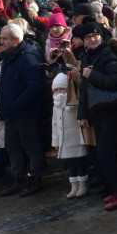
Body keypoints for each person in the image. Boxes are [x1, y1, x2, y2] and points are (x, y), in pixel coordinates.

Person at [77, 21, 117, 211]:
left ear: (101, 36)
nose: (92, 39)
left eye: (95, 35)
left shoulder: (108, 53)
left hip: (113, 109)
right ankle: (115, 187)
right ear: (83, 41)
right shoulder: (86, 56)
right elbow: (84, 88)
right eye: (87, 37)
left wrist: (93, 75)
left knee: (106, 152)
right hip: (97, 110)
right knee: (105, 153)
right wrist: (82, 113)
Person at [0, 23, 45, 198]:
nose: (1, 41)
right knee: (12, 146)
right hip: (10, 110)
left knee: (31, 146)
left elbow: (34, 86)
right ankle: (18, 178)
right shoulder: (9, 55)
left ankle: (35, 178)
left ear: (16, 40)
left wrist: (16, 103)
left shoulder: (28, 57)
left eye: (4, 38)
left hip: (25, 111)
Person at [51, 70, 88, 199]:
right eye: (56, 90)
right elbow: (55, 124)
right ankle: (74, 185)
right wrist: (55, 142)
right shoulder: (56, 106)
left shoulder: (74, 103)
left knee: (79, 162)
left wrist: (83, 139)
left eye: (62, 89)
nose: (59, 93)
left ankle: (82, 184)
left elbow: (79, 122)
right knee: (71, 164)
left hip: (76, 139)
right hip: (64, 141)